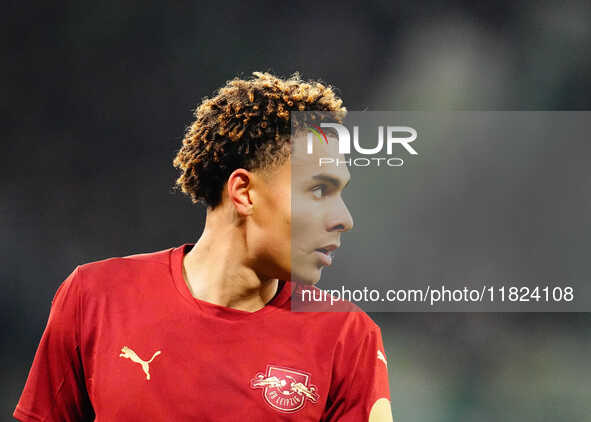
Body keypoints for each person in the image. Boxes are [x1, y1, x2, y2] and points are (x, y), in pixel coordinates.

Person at [14, 72, 393, 421]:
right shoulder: (93, 297)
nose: (344, 218)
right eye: (319, 190)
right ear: (244, 192)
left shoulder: (349, 338)